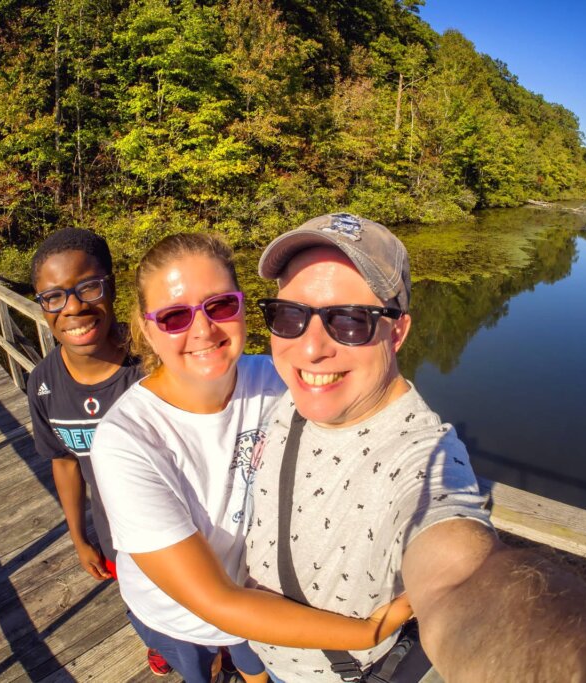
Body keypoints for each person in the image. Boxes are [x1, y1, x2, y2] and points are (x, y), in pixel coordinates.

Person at [246, 213, 586, 682]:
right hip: (258, 650)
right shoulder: (268, 385)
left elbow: (462, 578)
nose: (310, 347)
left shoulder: (421, 458)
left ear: (399, 331)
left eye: (349, 320)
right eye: (288, 315)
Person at [89, 233, 413, 683]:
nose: (202, 330)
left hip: (262, 600)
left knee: (254, 669)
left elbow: (370, 420)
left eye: (220, 306)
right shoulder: (128, 441)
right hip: (181, 617)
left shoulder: (279, 380)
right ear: (146, 329)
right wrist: (368, 633)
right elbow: (216, 601)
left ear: (242, 306)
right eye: (174, 316)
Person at [25, 228, 171, 676]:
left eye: (88, 287)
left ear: (110, 286)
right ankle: (159, 641)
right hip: (116, 535)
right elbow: (66, 463)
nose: (73, 307)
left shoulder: (155, 357)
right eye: (54, 297)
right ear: (42, 305)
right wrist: (78, 537)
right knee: (144, 607)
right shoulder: (43, 385)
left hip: (186, 521)